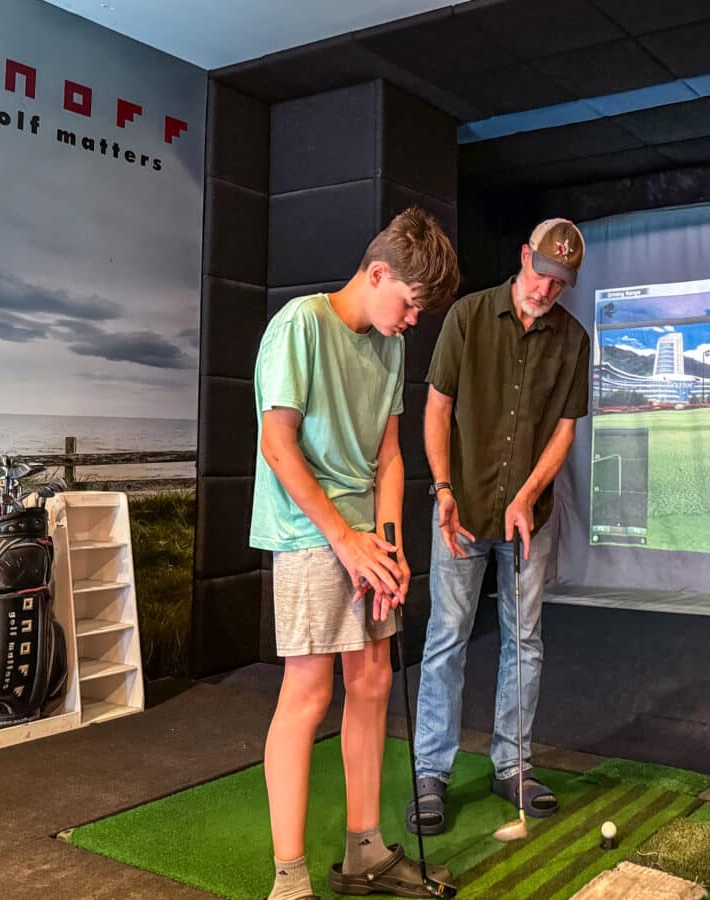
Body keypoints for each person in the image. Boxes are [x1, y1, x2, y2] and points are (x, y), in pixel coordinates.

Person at [250, 207, 459, 900]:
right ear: (377, 274)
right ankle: (289, 879)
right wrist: (345, 539)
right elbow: (276, 446)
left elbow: (391, 456)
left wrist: (392, 548)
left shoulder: (391, 345)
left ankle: (365, 853)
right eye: (408, 304)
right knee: (309, 693)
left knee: (371, 683)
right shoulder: (299, 327)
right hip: (313, 533)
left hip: (369, 536)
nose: (411, 322)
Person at [407, 218, 590, 835]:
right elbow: (437, 406)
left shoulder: (574, 338)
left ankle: (512, 765)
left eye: (559, 284)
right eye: (541, 274)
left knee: (525, 641)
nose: (545, 290)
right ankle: (431, 771)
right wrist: (443, 490)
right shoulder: (468, 316)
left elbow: (563, 429)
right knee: (446, 638)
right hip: (460, 511)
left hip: (527, 522)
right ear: (522, 257)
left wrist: (527, 496)